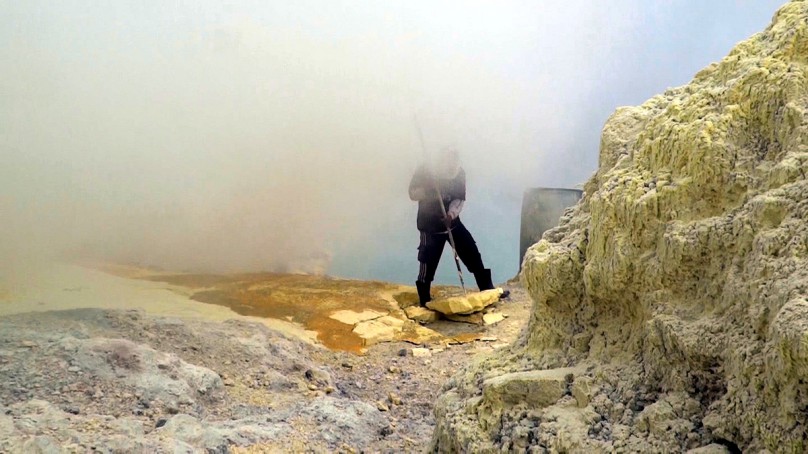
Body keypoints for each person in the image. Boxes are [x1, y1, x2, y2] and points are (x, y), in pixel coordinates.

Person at [408, 147, 497, 306]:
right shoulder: (425, 170)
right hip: (429, 226)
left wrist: (451, 215)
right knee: (427, 260)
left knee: (471, 250)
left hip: (452, 223)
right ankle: (424, 298)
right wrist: (429, 188)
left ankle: (487, 288)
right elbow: (412, 194)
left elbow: (459, 199)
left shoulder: (459, 173)